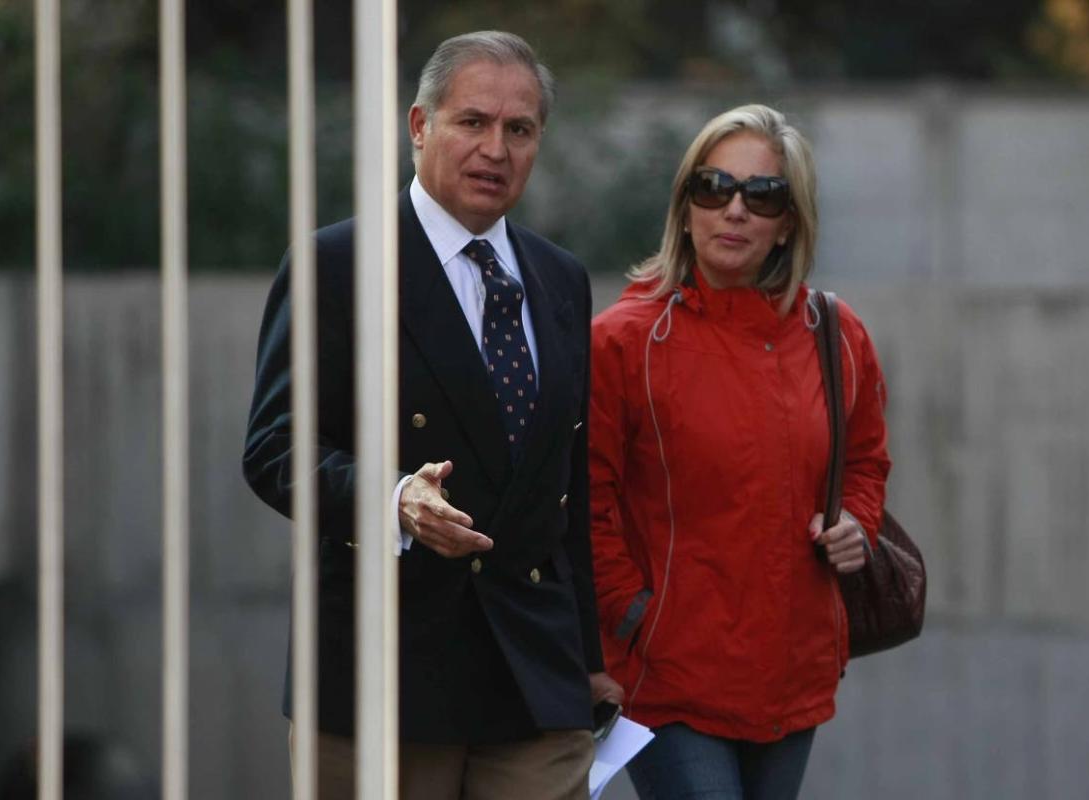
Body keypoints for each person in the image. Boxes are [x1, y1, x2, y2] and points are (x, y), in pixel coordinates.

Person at [243, 30, 622, 800]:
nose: (496, 149)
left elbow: (565, 486)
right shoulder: (337, 266)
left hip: (536, 676)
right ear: (419, 125)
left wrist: (588, 655)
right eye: (472, 122)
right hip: (385, 674)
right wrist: (393, 500)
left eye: (519, 129)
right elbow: (275, 447)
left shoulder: (560, 279)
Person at [588, 104, 890, 799]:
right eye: (713, 187)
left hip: (792, 669)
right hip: (669, 678)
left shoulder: (836, 333)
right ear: (685, 206)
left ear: (789, 222)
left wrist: (856, 523)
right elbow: (584, 502)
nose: (733, 210)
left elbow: (866, 461)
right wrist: (632, 616)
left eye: (762, 195)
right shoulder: (625, 340)